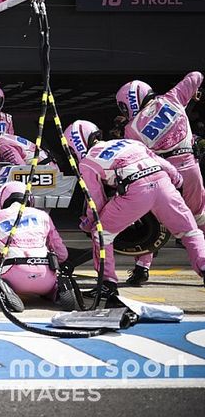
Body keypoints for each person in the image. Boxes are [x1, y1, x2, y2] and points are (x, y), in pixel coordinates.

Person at [64, 120, 205, 297]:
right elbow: (166, 166)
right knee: (190, 232)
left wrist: (89, 223)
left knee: (102, 235)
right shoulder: (131, 143)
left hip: (135, 191)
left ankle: (107, 284)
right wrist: (177, 182)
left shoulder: (87, 163)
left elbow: (95, 200)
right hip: (164, 184)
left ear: (76, 143)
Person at [117, 73, 204, 286]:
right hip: (191, 169)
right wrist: (193, 93)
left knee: (155, 223)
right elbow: (196, 76)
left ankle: (142, 269)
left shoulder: (131, 130)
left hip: (163, 175)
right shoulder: (173, 98)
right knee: (200, 220)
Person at [0, 181, 76, 312]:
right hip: (46, 275)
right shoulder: (43, 216)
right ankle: (57, 289)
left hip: (14, 275)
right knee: (50, 282)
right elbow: (62, 254)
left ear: (2, 199)